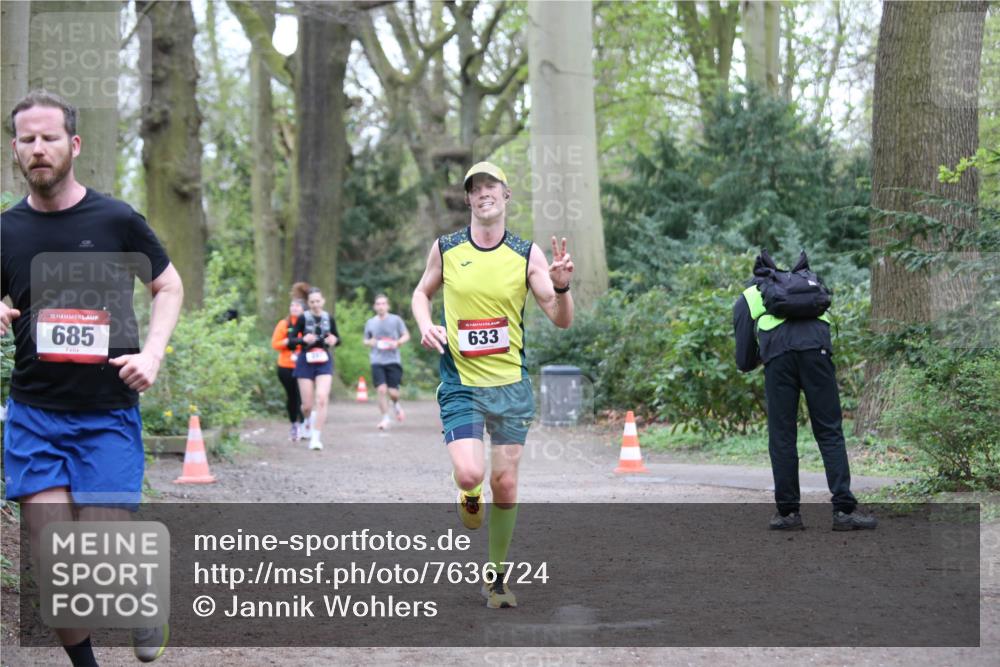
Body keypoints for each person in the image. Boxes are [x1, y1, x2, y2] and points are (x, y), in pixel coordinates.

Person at [1, 90, 183, 664]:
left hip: (106, 414)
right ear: (15, 150)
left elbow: (169, 286)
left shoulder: (116, 220)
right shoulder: (5, 231)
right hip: (34, 415)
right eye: (27, 139)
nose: (38, 149)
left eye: (49, 137)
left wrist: (152, 354)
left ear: (73, 145)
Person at [411, 161, 574, 609]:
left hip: (510, 387)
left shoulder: (528, 254)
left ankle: (496, 579)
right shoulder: (446, 249)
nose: (484, 193)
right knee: (471, 473)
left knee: (505, 484)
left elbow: (561, 321)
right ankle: (467, 492)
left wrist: (562, 288)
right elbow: (421, 292)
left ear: (506, 196)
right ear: (468, 199)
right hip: (461, 381)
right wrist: (426, 324)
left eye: (492, 186)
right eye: (475, 188)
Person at [733, 250, 877, 532]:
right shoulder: (810, 287)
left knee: (783, 434)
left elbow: (744, 360)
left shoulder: (751, 295)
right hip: (817, 352)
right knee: (829, 430)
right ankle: (844, 512)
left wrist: (767, 354)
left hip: (779, 359)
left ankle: (788, 514)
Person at [287, 285, 340, 450]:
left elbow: (338, 338)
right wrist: (303, 340)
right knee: (307, 405)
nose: (315, 304)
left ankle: (316, 438)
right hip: (306, 361)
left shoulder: (328, 318)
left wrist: (334, 340)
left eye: (318, 301)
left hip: (323, 360)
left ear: (323, 301)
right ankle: (308, 420)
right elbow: (291, 340)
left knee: (322, 398)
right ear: (308, 303)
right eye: (312, 302)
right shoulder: (303, 318)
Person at [363, 293, 411, 430]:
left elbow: (406, 335)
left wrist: (398, 343)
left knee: (393, 392)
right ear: (374, 306)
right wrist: (370, 342)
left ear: (388, 306)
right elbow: (365, 340)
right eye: (378, 304)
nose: (381, 306)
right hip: (377, 360)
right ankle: (385, 418)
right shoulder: (370, 322)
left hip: (393, 360)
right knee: (381, 389)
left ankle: (396, 404)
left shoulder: (396, 320)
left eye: (383, 303)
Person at [271, 298, 306, 440]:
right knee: (292, 396)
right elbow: (275, 344)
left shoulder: (306, 324)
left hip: (303, 365)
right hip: (286, 366)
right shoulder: (284, 324)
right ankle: (294, 424)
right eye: (292, 305)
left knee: (303, 396)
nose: (295, 308)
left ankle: (304, 423)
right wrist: (287, 341)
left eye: (298, 306)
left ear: (304, 309)